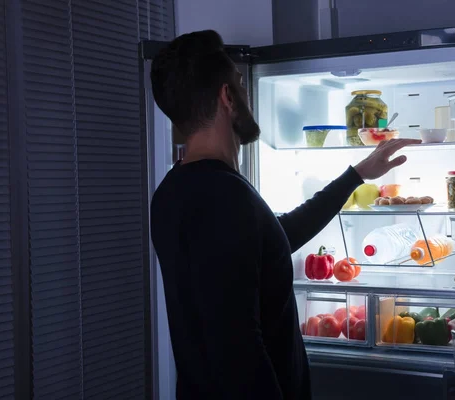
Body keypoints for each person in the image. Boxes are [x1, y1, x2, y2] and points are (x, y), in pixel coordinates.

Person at [149, 30, 421, 400]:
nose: (246, 95)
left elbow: (274, 239)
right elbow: (239, 347)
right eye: (241, 85)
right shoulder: (223, 197)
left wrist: (355, 176)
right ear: (227, 97)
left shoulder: (175, 191)